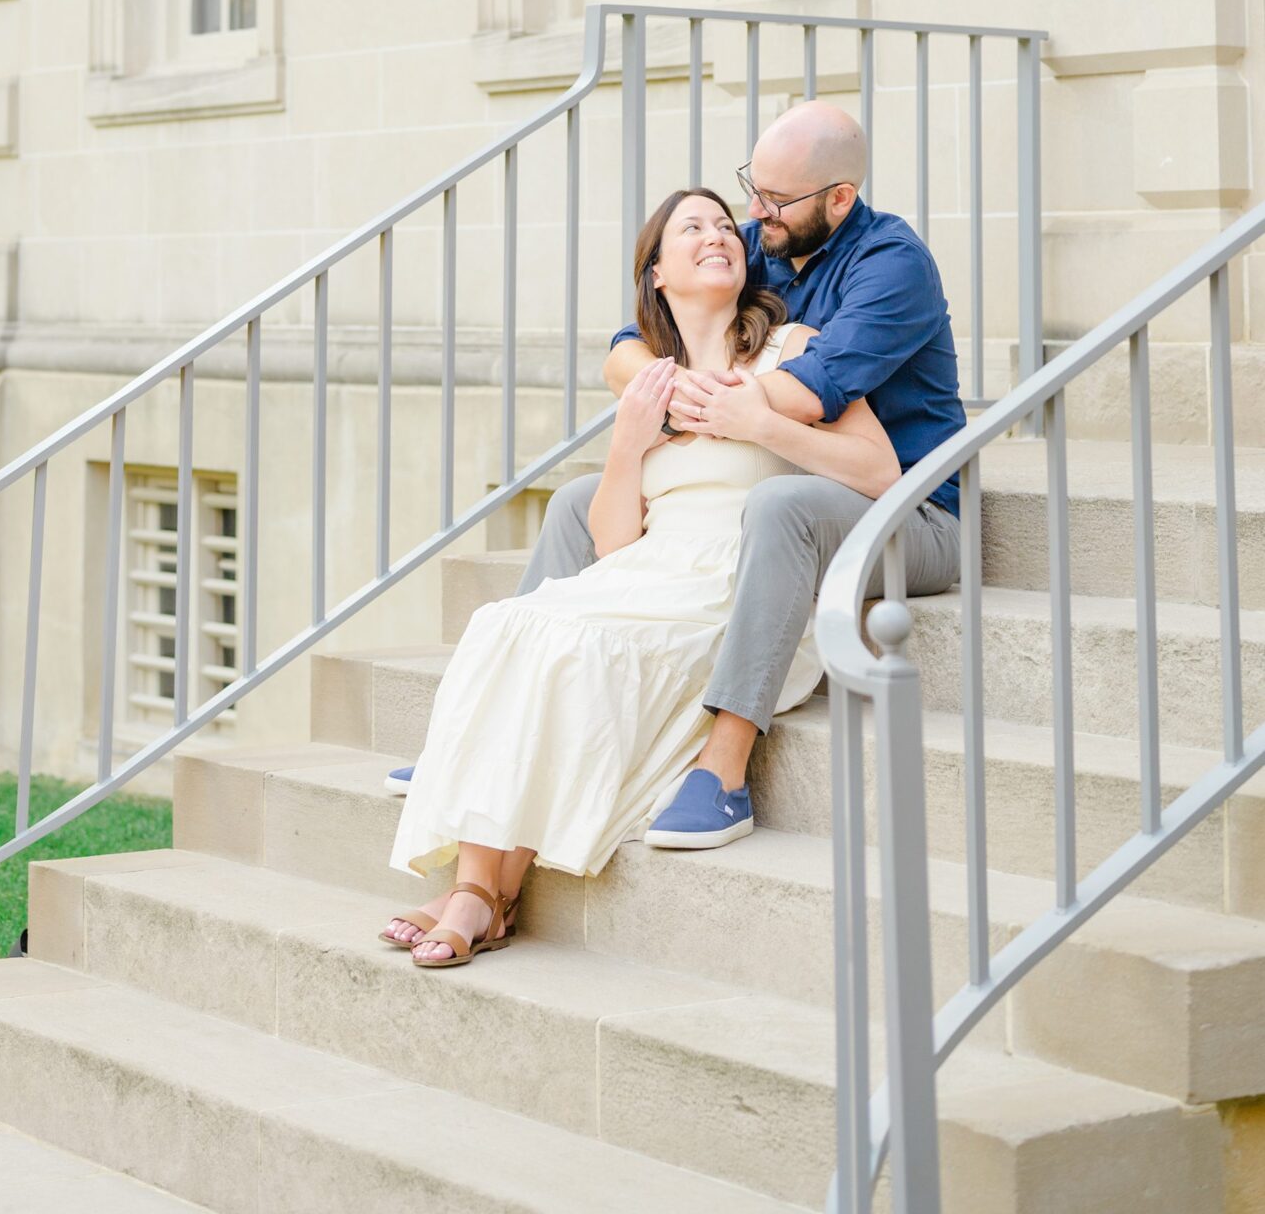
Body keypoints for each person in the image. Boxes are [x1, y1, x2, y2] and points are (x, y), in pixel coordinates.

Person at [384, 101, 966, 853]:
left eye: (772, 201)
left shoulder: (891, 266)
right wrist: (653, 393)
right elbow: (633, 339)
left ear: (839, 199)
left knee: (778, 503)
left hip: (904, 509)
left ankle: (723, 770)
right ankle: (477, 732)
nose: (750, 217)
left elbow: (807, 385)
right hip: (793, 463)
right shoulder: (764, 239)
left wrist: (697, 405)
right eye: (747, 191)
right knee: (574, 502)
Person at [377, 184, 901, 970]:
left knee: (561, 644)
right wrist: (627, 443)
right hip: (649, 570)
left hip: (734, 574)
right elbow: (615, 540)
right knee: (510, 623)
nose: (717, 234)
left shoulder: (792, 350)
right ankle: (480, 894)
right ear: (656, 273)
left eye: (726, 225)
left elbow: (877, 467)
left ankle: (478, 894)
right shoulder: (647, 380)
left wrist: (761, 423)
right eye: (691, 228)